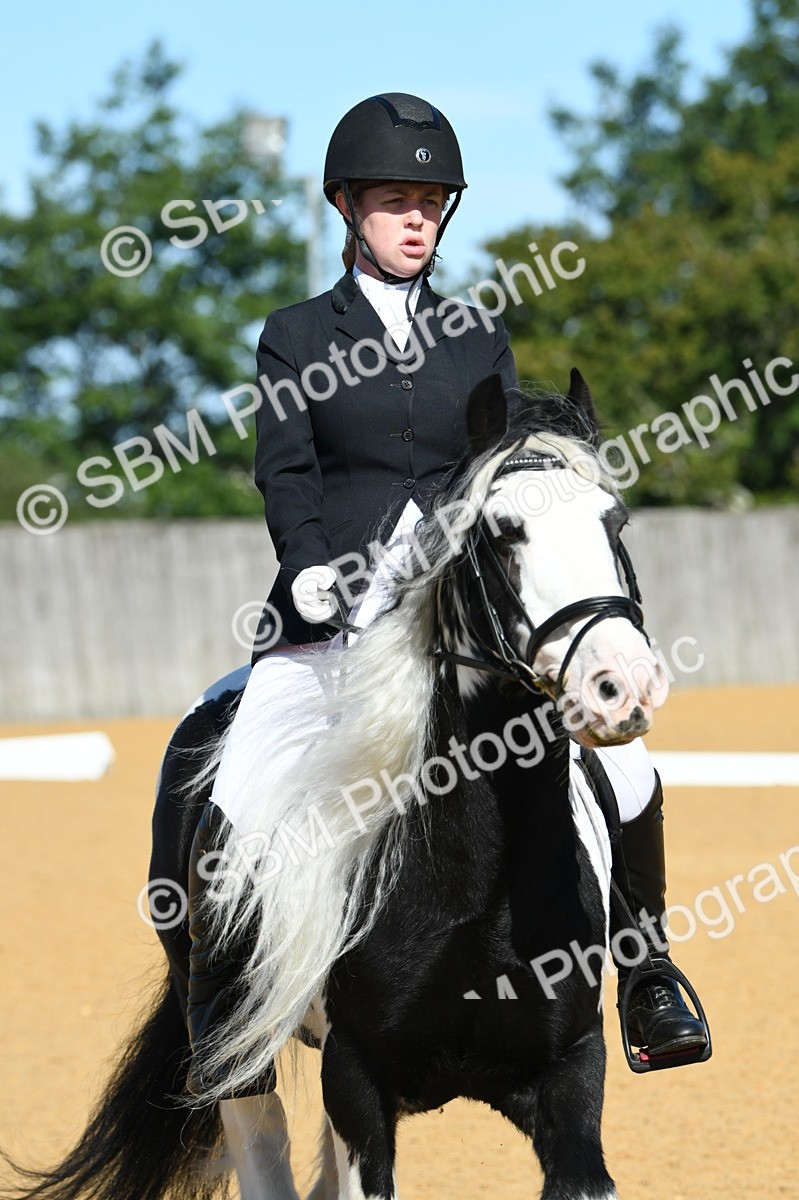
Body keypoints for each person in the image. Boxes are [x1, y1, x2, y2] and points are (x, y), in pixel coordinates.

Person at [185, 92, 707, 1098]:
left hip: (453, 619)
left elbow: (503, 469)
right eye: (395, 201)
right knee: (240, 790)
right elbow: (285, 471)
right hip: (329, 615)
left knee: (629, 769)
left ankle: (646, 972)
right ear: (347, 209)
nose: (415, 218)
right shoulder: (294, 334)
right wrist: (306, 563)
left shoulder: (478, 335)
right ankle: (222, 997)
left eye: (430, 201)